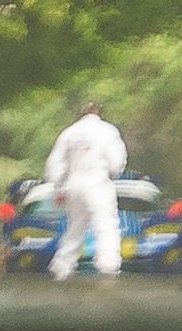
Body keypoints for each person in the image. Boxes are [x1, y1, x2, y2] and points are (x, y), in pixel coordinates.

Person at [46, 99, 128, 280]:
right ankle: (108, 264)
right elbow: (116, 160)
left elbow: (56, 162)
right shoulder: (107, 130)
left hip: (74, 182)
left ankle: (62, 265)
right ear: (98, 112)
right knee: (105, 224)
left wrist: (58, 187)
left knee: (75, 226)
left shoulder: (69, 133)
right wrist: (112, 172)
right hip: (97, 180)